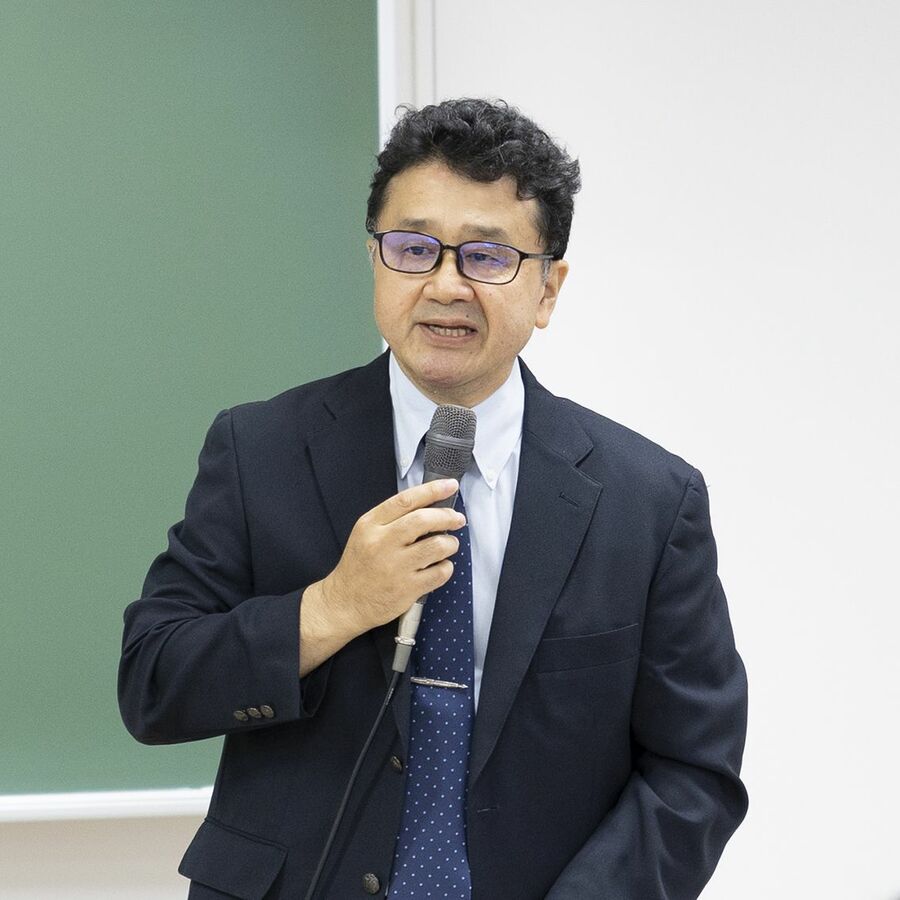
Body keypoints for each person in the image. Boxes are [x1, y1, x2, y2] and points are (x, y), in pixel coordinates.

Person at [119, 98, 748, 899]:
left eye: (487, 257)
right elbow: (155, 683)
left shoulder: (649, 501)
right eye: (414, 249)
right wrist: (333, 607)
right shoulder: (261, 450)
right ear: (377, 262)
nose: (446, 284)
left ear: (548, 289)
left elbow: (694, 772)